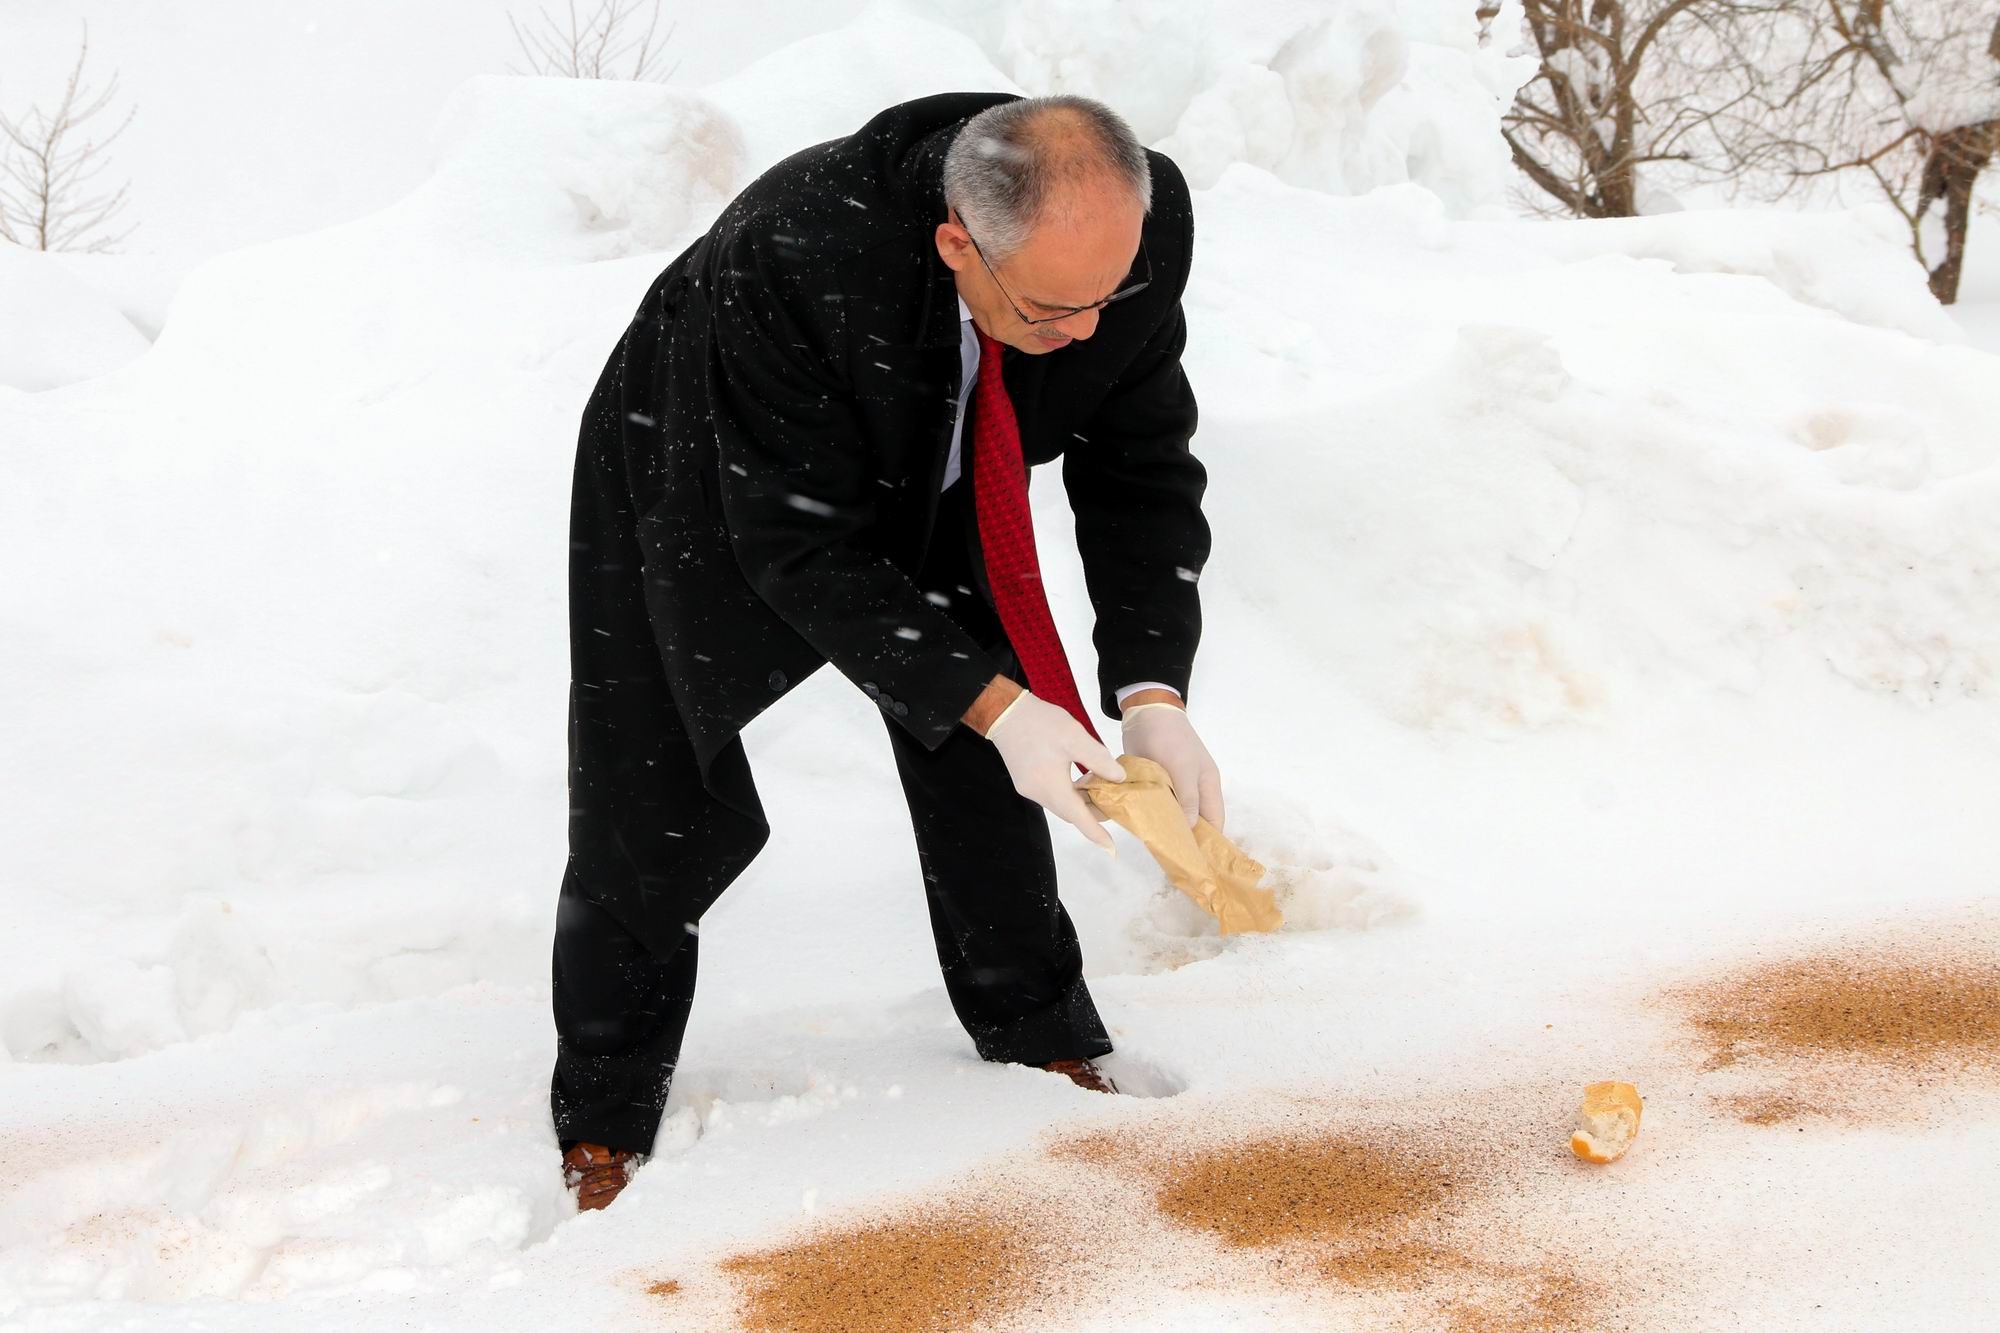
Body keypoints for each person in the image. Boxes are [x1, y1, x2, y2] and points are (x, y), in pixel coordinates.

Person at [552, 90, 1221, 1211]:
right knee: (649, 774)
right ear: (956, 238)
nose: (1091, 331)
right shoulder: (792, 252)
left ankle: (1035, 1026)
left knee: (987, 720)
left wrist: (1153, 688)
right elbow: (800, 554)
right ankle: (606, 1111)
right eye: (1057, 307)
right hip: (707, 465)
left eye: (1111, 297)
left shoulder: (1128, 234)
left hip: (948, 440)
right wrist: (999, 706)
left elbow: (1140, 460)